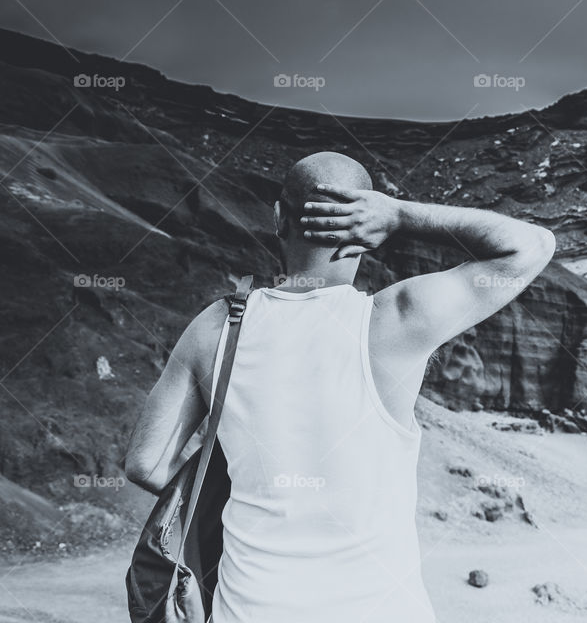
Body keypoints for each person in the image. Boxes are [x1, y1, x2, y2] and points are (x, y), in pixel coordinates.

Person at [124, 151, 555, 623]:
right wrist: (400, 214)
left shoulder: (218, 327)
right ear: (365, 230)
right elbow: (531, 245)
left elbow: (147, 463)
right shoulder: (397, 317)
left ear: (277, 218)